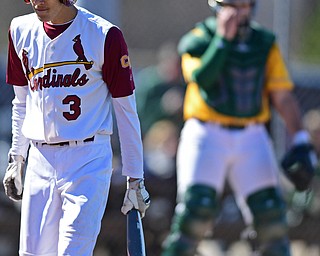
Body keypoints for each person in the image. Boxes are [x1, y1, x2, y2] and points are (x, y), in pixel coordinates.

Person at [161, 0, 316, 255]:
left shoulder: (264, 42)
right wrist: (222, 39)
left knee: (271, 221)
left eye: (243, 6)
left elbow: (282, 95)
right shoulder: (199, 38)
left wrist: (300, 138)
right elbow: (203, 80)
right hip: (206, 133)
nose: (238, 13)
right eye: (231, 5)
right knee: (194, 214)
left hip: (251, 135)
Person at [2, 0, 150, 255]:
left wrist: (135, 178)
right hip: (39, 158)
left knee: (74, 251)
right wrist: (17, 156)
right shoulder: (19, 29)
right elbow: (21, 102)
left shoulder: (105, 35)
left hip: (87, 159)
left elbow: (126, 112)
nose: (36, 1)